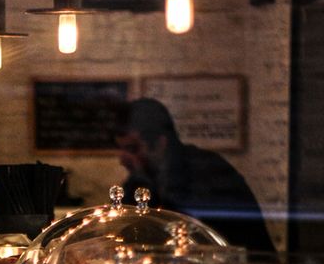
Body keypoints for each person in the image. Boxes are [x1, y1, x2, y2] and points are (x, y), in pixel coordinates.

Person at [116, 97, 275, 252]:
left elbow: (198, 241)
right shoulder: (143, 180)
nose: (123, 160)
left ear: (160, 143)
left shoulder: (207, 171)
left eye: (132, 149)